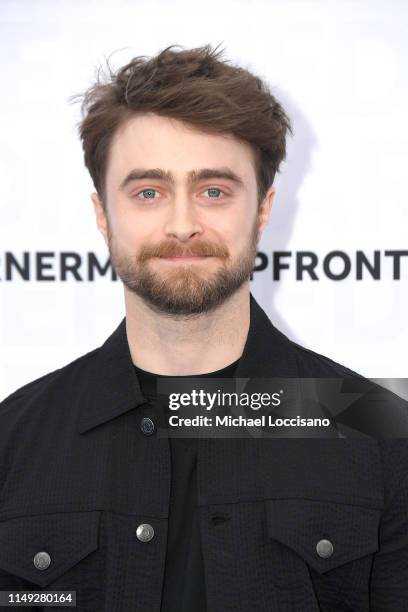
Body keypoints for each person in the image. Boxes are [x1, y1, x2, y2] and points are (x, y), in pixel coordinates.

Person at [0, 43, 407, 612]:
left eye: (214, 190)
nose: (184, 224)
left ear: (263, 209)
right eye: (149, 192)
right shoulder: (13, 439)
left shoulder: (381, 428)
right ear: (101, 215)